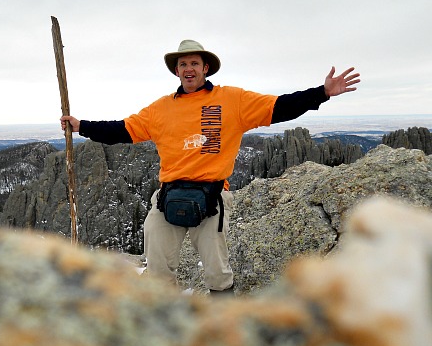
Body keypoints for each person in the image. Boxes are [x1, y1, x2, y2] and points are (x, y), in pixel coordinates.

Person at [60, 39, 360, 295]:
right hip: (168, 195)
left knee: (217, 272)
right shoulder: (160, 109)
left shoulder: (232, 100)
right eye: (183, 64)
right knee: (157, 271)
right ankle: (165, 322)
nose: (188, 68)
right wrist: (82, 126)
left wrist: (321, 92)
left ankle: (223, 327)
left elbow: (279, 107)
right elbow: (122, 130)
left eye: (194, 63)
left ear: (206, 68)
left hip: (213, 196)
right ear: (177, 71)